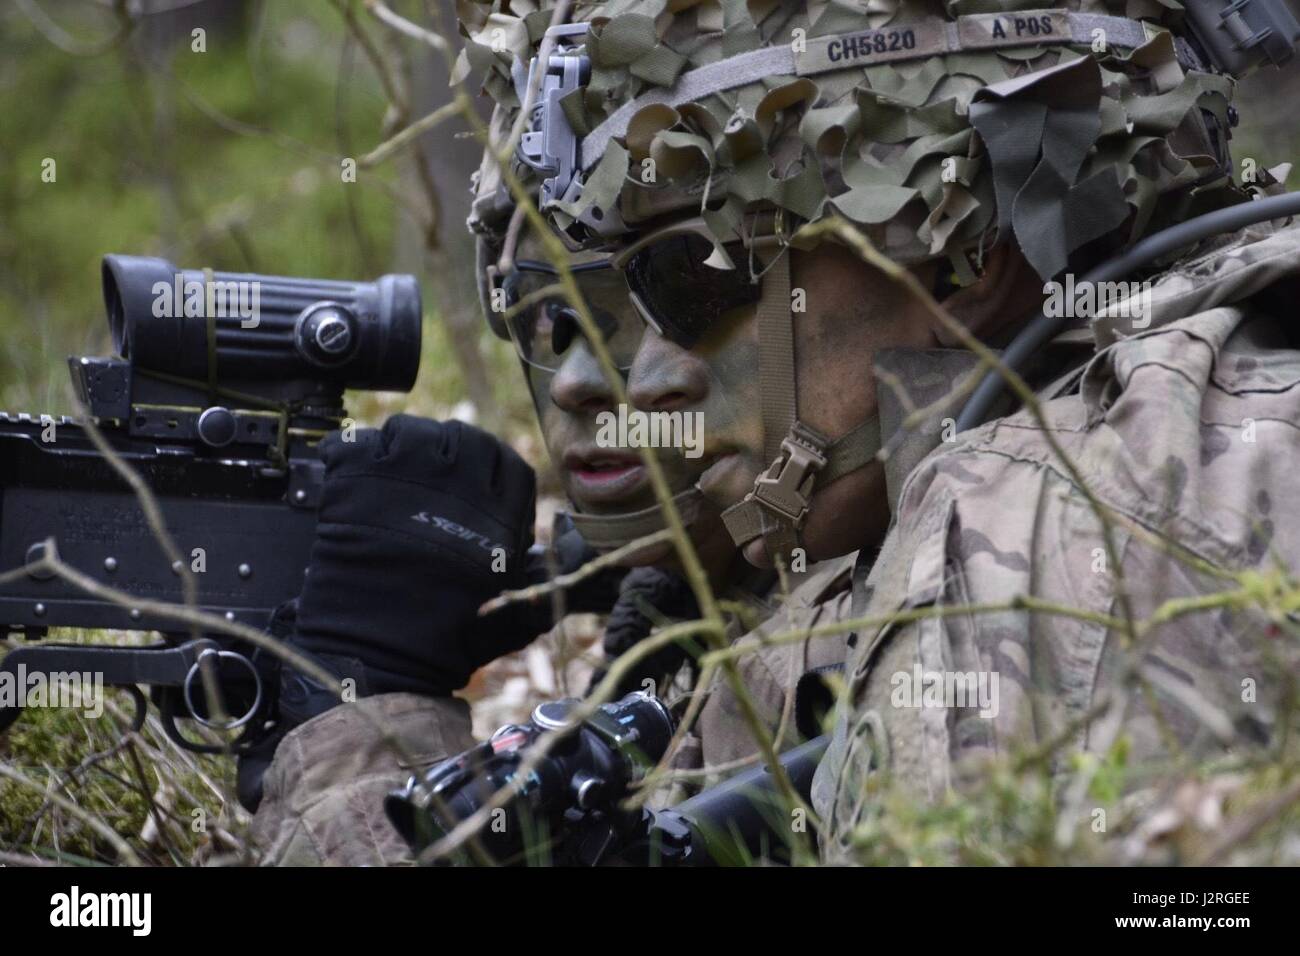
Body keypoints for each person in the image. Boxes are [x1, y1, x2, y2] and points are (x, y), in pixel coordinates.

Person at [248, 0, 1300, 864]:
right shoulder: (917, 529)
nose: (608, 376)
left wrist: (355, 738)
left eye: (687, 279)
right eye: (575, 311)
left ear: (961, 254)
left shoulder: (1049, 511)